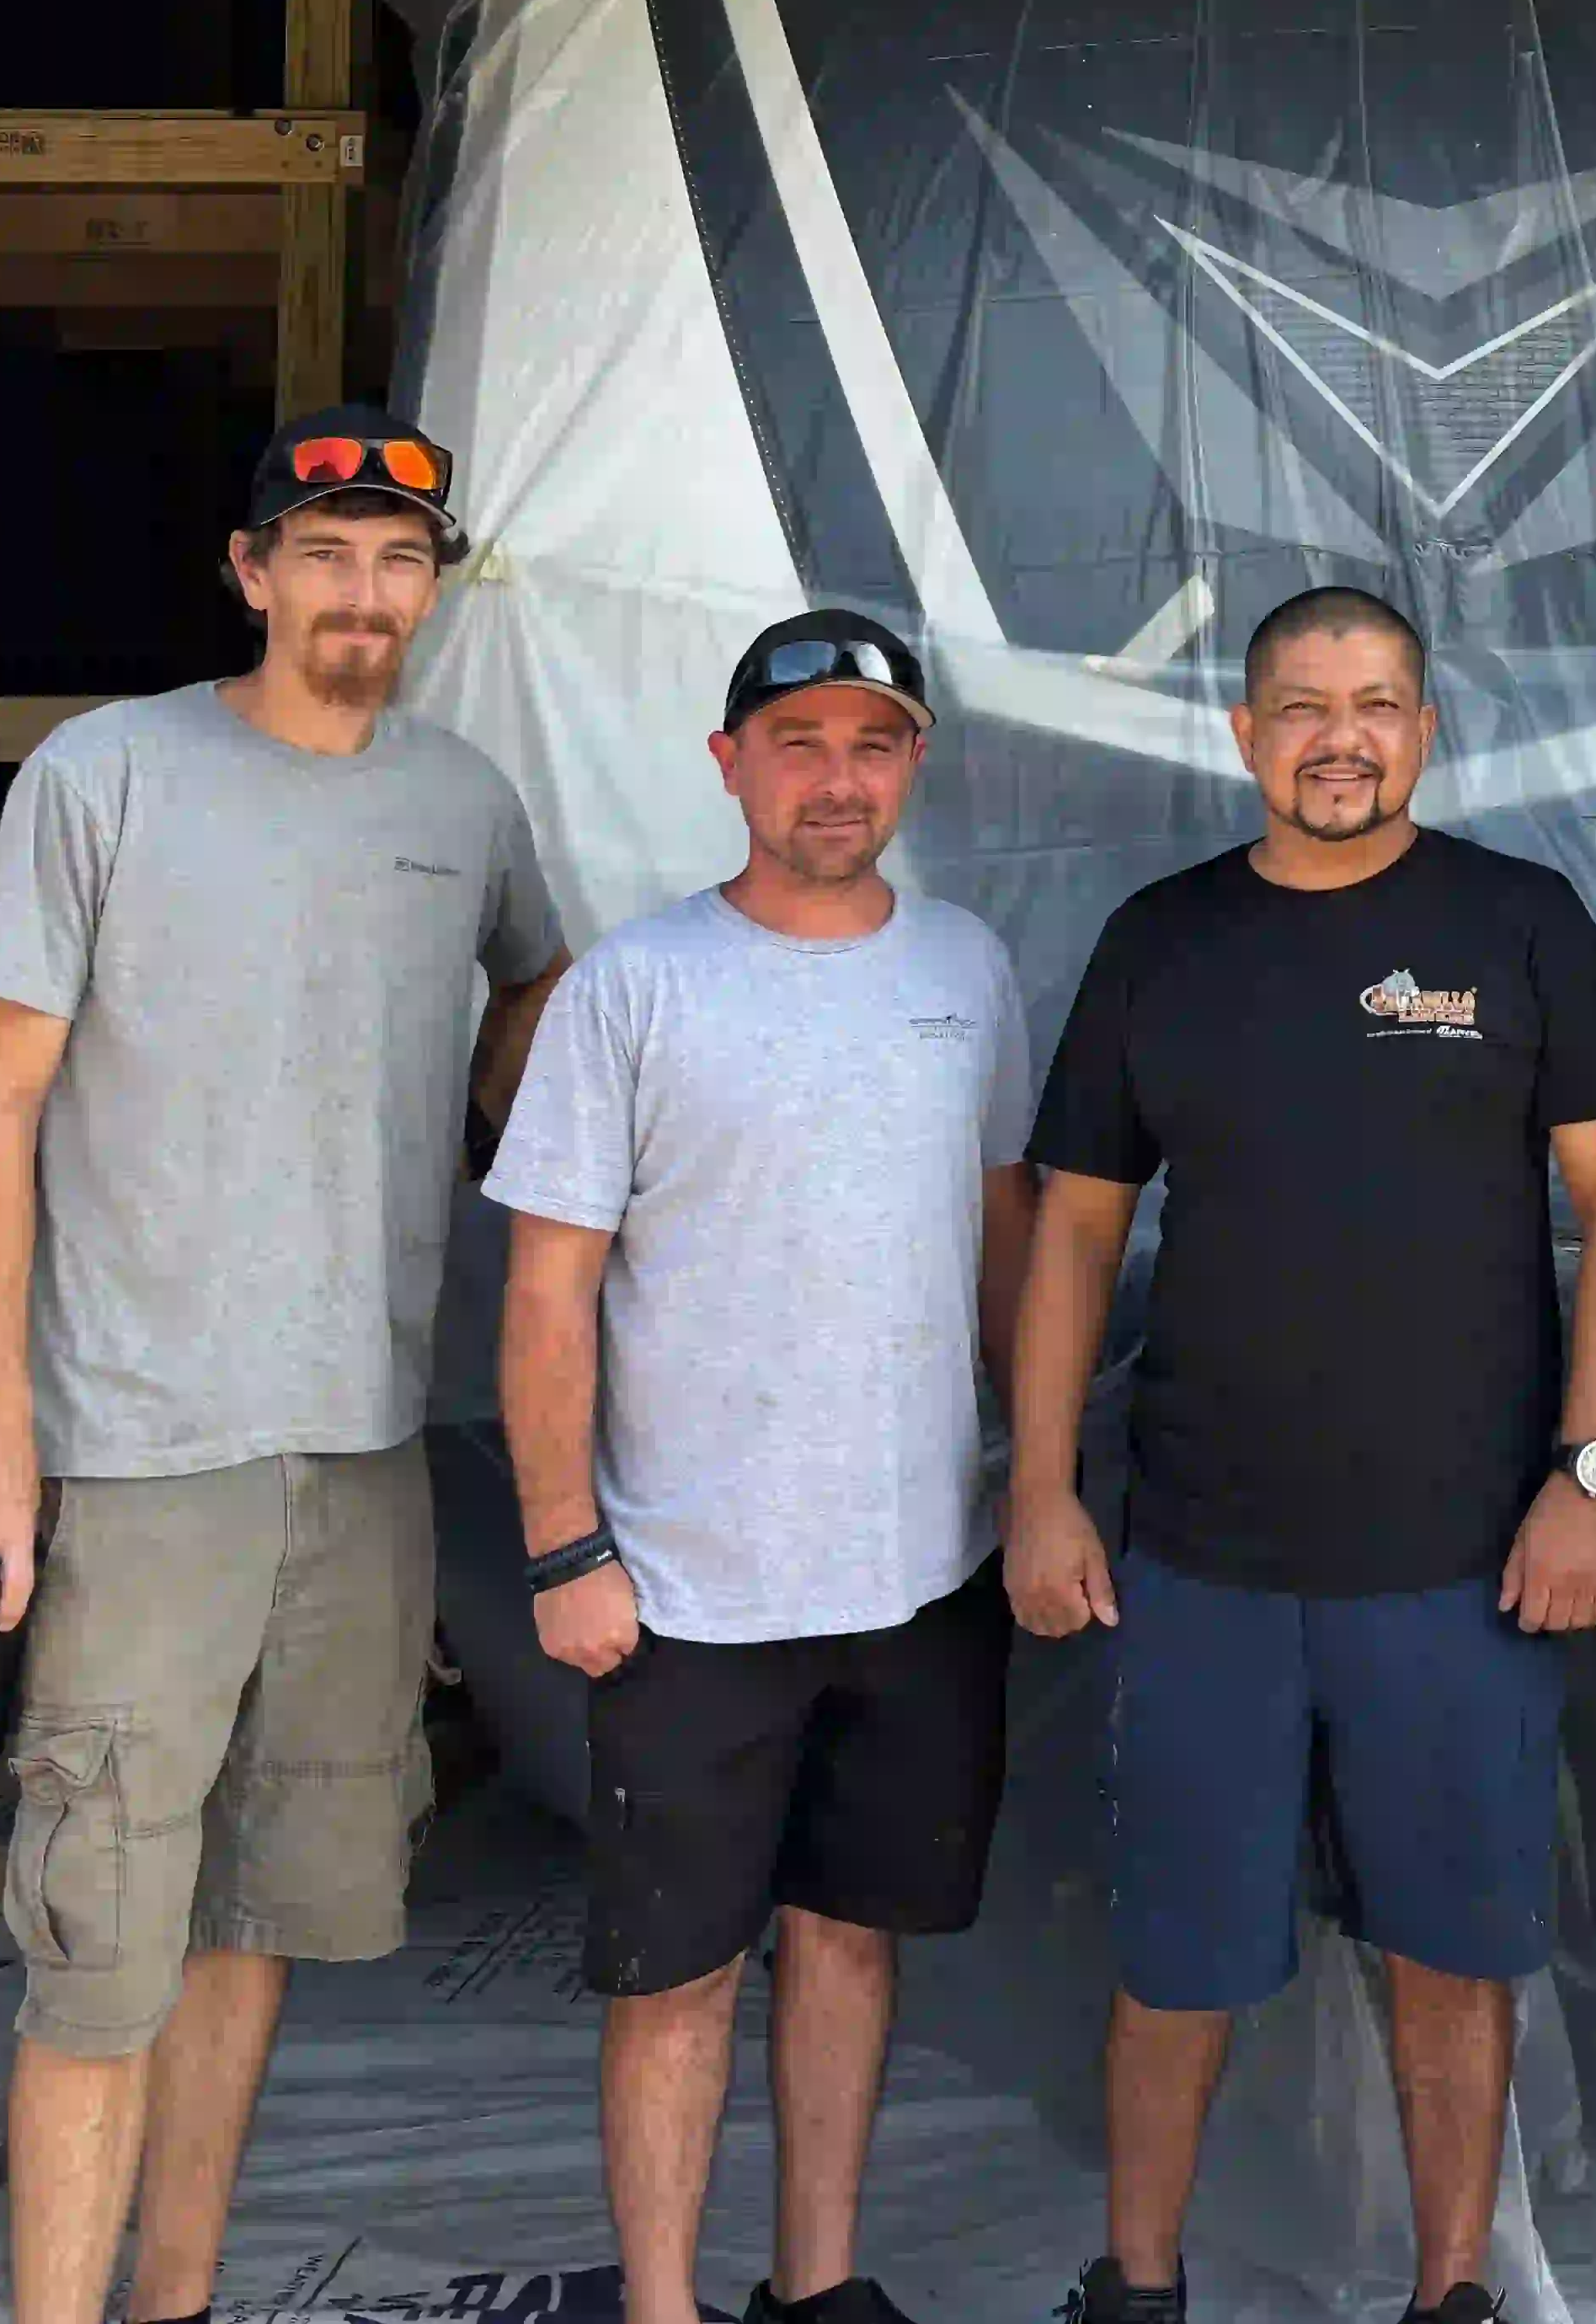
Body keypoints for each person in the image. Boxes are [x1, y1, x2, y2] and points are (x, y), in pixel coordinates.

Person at [0, 406, 567, 2324]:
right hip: (140, 1446)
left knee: (264, 1907)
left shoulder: (462, 805)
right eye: (327, 553)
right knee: (103, 1932)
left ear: (432, 589)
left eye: (400, 562)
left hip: (356, 1452)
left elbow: (533, 978)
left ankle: (176, 2299)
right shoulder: (108, 775)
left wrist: (487, 1112)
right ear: (251, 567)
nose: (364, 595)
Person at [1009, 586, 1596, 2324]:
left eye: (1376, 703)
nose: (1340, 737)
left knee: (1453, 1957)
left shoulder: (1521, 926)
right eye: (1301, 706)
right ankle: (1137, 2285)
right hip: (1205, 1555)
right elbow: (1073, 1228)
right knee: (1179, 1961)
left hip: (1466, 1563)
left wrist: (1587, 1478)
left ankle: (1451, 2295)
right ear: (1243, 734)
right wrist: (1042, 1482)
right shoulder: (1161, 942)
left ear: (1428, 730)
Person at [486, 608, 1039, 2324]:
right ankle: (662, 2302)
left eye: (872, 745)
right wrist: (566, 1548)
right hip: (685, 1588)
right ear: (728, 763)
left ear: (915, 767)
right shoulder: (634, 986)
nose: (836, 778)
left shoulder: (966, 967)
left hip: (917, 1569)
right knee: (675, 1976)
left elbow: (1007, 1233)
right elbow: (548, 1288)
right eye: (798, 743)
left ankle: (820, 2284)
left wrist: (1031, 1479)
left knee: (852, 1940)